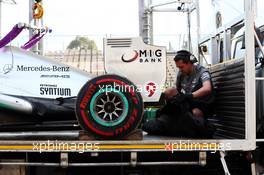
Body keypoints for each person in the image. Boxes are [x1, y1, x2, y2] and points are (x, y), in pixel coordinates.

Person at [142, 50, 215, 138]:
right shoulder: (181, 74)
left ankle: (199, 132)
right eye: (178, 67)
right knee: (169, 91)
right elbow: (176, 90)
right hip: (189, 101)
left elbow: (207, 88)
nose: (180, 70)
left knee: (195, 112)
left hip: (202, 103)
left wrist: (190, 96)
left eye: (181, 67)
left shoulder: (202, 72)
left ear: (189, 63)